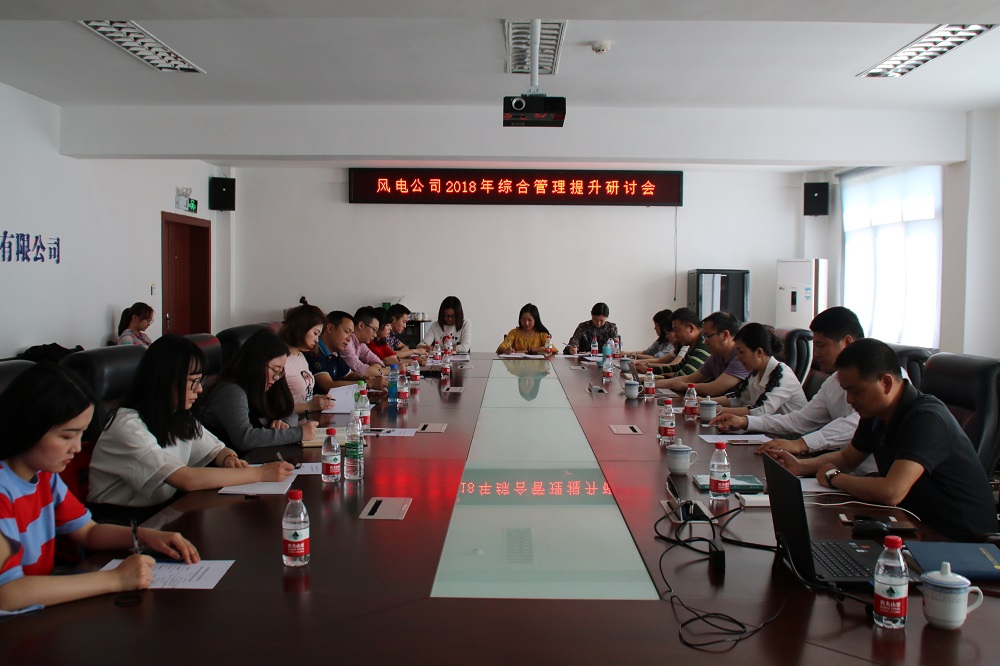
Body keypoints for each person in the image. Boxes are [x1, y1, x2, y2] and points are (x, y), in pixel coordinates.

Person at [0, 363, 198, 614]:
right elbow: (7, 594)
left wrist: (146, 536)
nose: (77, 448)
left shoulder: (44, 477)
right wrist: (116, 579)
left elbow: (88, 532)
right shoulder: (3, 491)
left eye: (81, 435)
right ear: (28, 427)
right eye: (66, 436)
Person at [768, 338, 997, 541]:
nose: (850, 399)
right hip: (913, 524)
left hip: (961, 541)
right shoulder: (876, 413)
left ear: (886, 383)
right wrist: (801, 466)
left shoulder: (927, 418)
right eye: (846, 391)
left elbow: (891, 491)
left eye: (856, 391)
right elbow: (847, 458)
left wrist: (834, 477)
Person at [88, 336, 295, 517]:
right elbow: (186, 479)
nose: (199, 389)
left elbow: (216, 450)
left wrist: (229, 458)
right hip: (121, 520)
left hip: (162, 512)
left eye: (200, 381)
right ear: (166, 380)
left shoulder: (178, 415)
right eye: (193, 381)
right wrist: (260, 474)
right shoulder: (127, 427)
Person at [711, 306, 865, 462]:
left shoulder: (870, 379)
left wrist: (801, 444)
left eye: (822, 345)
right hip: (837, 464)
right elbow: (800, 420)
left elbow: (857, 424)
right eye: (815, 345)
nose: (816, 353)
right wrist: (745, 421)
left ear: (846, 342)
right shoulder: (832, 382)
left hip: (860, 471)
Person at [199, 330, 319, 453]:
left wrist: (284, 423)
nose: (277, 377)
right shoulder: (231, 391)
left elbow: (289, 411)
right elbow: (245, 438)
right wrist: (298, 433)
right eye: (275, 370)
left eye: (281, 372)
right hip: (234, 461)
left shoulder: (263, 386)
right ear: (256, 363)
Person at [711, 323, 807, 417]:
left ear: (759, 352)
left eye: (741, 352)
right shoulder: (756, 372)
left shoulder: (782, 375)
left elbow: (760, 411)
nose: (738, 358)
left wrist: (714, 409)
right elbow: (739, 398)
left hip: (791, 428)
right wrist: (706, 402)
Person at [656, 311, 749, 396]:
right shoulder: (715, 357)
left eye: (708, 336)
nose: (705, 342)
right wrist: (653, 384)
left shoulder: (740, 357)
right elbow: (690, 378)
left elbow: (714, 388)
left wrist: (684, 386)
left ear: (725, 335)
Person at [308, 310, 388, 393]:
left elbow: (349, 374)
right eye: (347, 332)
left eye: (351, 334)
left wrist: (365, 379)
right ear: (330, 328)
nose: (349, 338)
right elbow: (328, 386)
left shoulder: (335, 353)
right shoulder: (315, 352)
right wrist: (368, 384)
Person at [278, 298, 334, 416]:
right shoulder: (280, 360)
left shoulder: (301, 357)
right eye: (315, 333)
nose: (317, 340)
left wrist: (318, 399)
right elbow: (276, 407)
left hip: (307, 418)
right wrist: (311, 406)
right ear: (302, 328)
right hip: (290, 422)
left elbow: (303, 397)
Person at [635, 308, 710, 379]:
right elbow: (677, 368)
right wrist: (650, 370)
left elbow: (684, 376)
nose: (675, 336)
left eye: (677, 331)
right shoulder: (693, 345)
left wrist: (653, 380)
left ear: (690, 328)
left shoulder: (703, 344)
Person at [342, 306, 390, 379]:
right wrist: (392, 371)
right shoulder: (346, 342)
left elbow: (377, 361)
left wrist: (371, 371)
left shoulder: (361, 343)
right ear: (361, 325)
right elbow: (360, 370)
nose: (375, 335)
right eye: (374, 330)